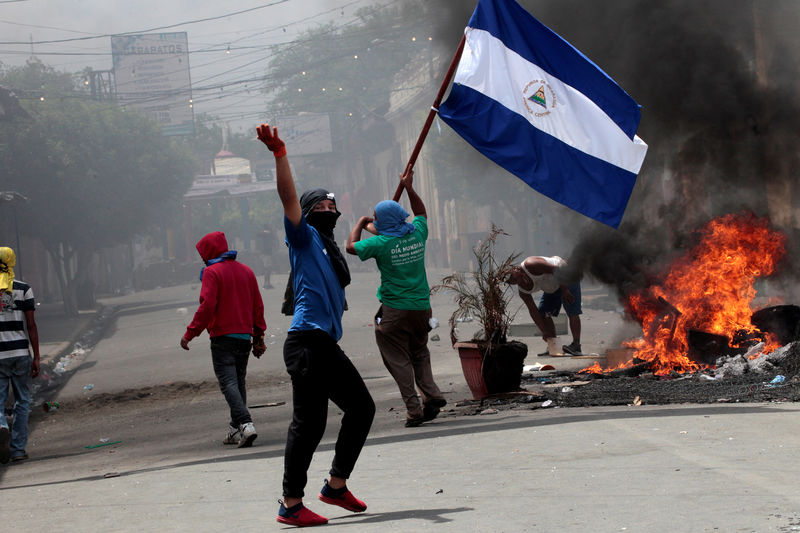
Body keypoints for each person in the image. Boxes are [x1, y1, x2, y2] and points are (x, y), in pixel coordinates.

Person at [257, 123, 375, 527]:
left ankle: (334, 487)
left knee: (358, 409)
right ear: (307, 216)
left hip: (321, 343)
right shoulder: (304, 239)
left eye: (331, 208)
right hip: (308, 342)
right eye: (318, 209)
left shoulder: (329, 251)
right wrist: (280, 155)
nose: (327, 213)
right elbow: (289, 198)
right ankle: (291, 504)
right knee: (310, 424)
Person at [346, 169, 447, 428]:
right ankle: (433, 394)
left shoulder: (379, 244)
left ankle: (414, 410)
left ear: (382, 223)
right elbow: (421, 212)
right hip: (422, 308)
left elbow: (351, 247)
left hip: (394, 310)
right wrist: (410, 188)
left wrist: (359, 222)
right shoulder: (417, 233)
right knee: (419, 352)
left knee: (398, 359)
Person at [180, 231, 267, 448]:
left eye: (203, 254)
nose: (202, 259)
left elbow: (207, 306)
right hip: (243, 337)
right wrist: (258, 335)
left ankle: (246, 424)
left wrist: (190, 333)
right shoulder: (246, 271)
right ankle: (234, 428)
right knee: (238, 382)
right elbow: (257, 306)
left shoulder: (211, 272)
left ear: (209, 251)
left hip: (222, 337)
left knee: (228, 382)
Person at [0, 247, 40, 464]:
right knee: (22, 400)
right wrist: (36, 356)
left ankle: (2, 426)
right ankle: (17, 450)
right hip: (19, 353)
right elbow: (31, 325)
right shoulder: (23, 289)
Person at [504, 256, 582, 356]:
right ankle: (554, 346)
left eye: (513, 277)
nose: (515, 281)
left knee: (572, 310)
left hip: (566, 277)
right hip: (552, 287)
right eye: (511, 282)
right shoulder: (523, 291)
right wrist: (544, 331)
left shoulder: (531, 264)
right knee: (544, 313)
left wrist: (565, 290)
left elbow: (557, 270)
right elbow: (533, 310)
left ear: (515, 269)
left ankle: (576, 346)